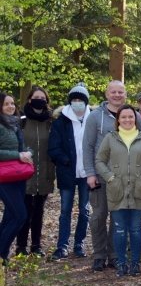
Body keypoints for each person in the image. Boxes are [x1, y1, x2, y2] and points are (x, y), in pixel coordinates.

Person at [83, 80, 141, 272]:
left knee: (119, 218)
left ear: (125, 94)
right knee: (98, 216)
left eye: (120, 92)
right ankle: (99, 255)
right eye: (113, 92)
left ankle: (115, 255)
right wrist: (90, 173)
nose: (117, 95)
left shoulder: (134, 116)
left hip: (125, 178)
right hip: (101, 176)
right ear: (107, 94)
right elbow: (88, 146)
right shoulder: (95, 117)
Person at [95, 104, 141, 277]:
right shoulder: (110, 138)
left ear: (136, 119)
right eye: (123, 117)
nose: (127, 120)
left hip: (139, 189)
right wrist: (109, 177)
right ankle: (121, 264)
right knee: (120, 229)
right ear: (118, 120)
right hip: (117, 189)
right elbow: (99, 160)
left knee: (136, 229)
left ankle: (135, 264)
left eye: (131, 116)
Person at [48, 83, 92, 260]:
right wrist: (66, 160)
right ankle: (62, 246)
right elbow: (53, 148)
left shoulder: (92, 119)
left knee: (84, 210)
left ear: (86, 102)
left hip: (87, 173)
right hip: (67, 172)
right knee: (65, 210)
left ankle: (79, 244)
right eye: (74, 99)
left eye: (81, 100)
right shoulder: (60, 121)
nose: (77, 103)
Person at [16, 86, 55, 257]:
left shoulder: (51, 121)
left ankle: (36, 245)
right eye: (36, 97)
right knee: (24, 211)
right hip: (24, 172)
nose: (39, 100)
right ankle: (20, 246)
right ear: (30, 99)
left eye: (42, 98)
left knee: (39, 211)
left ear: (46, 101)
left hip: (45, 171)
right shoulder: (21, 120)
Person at [0, 92, 30, 264]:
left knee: (10, 216)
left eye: (12, 103)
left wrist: (27, 153)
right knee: (20, 215)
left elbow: (20, 147)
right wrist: (18, 155)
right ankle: (1, 253)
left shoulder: (15, 124)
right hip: (4, 178)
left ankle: (2, 254)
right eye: (6, 104)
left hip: (18, 176)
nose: (11, 106)